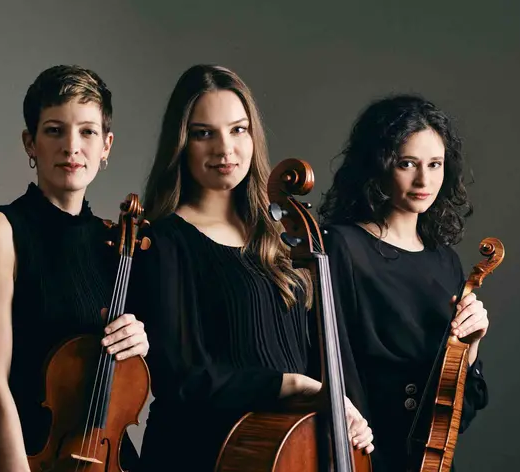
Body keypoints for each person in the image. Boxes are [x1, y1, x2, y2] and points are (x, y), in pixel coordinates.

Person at [130, 64, 374, 472]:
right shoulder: (162, 242)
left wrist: (344, 412)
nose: (224, 149)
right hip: (199, 455)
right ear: (182, 143)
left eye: (238, 130)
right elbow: (181, 377)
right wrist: (289, 384)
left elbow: (318, 354)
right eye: (203, 133)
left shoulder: (282, 237)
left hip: (285, 451)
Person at [0, 65, 149, 472]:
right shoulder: (0, 230)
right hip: (27, 460)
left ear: (106, 146)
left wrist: (138, 342)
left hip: (107, 458)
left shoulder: (116, 242)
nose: (72, 147)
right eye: (54, 131)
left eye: (87, 132)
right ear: (30, 143)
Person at [318, 94, 489, 471]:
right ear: (378, 164)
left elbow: (455, 416)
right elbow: (326, 363)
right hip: (362, 454)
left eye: (435, 164)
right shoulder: (341, 247)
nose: (424, 180)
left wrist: (470, 346)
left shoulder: (446, 261)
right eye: (407, 163)